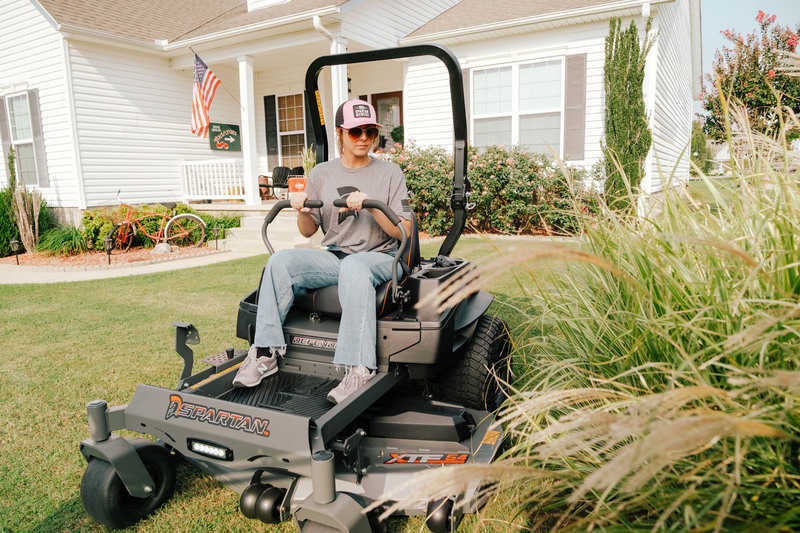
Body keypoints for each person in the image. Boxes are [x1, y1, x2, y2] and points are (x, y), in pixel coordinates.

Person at [233, 98, 413, 404]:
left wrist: (371, 204)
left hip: (381, 257)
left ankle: (359, 369)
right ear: (340, 133)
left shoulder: (390, 173)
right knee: (280, 262)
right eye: (356, 132)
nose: (364, 139)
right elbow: (307, 230)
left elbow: (404, 232)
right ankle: (265, 353)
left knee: (355, 267)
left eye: (370, 132)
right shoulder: (321, 174)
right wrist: (301, 208)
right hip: (334, 256)